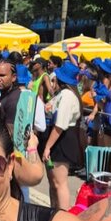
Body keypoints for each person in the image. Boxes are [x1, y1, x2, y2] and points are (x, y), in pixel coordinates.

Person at [43, 60, 83, 210]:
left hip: (62, 139)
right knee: (53, 181)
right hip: (57, 137)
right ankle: (54, 210)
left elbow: (60, 125)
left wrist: (47, 147)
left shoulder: (67, 95)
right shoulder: (62, 94)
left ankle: (63, 213)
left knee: (60, 183)